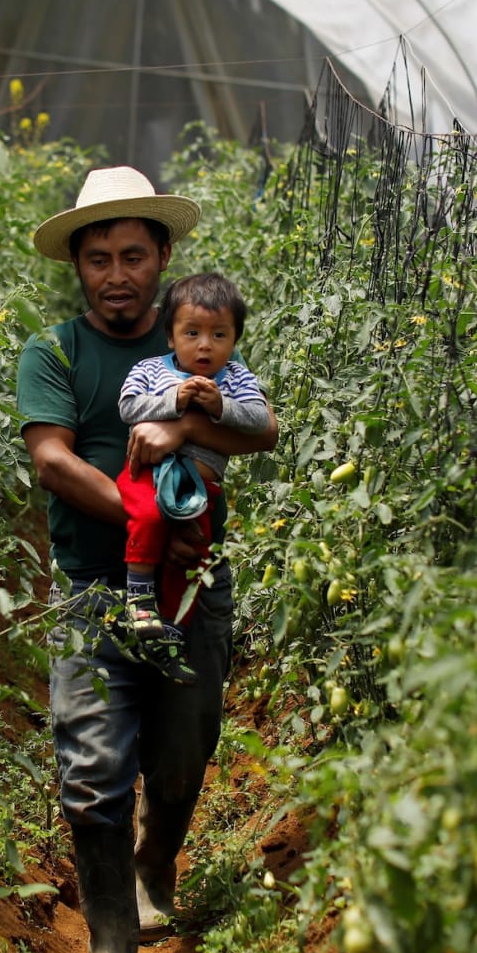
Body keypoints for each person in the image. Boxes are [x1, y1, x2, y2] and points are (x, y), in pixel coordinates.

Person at [15, 166, 278, 953]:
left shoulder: (197, 340)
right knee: (92, 773)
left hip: (195, 590)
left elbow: (255, 431)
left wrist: (180, 430)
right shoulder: (54, 352)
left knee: (179, 759)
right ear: (78, 267)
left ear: (163, 255)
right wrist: (145, 510)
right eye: (99, 259)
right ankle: (108, 950)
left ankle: (155, 861)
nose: (117, 273)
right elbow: (53, 459)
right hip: (95, 589)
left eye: (134, 253)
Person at [116, 273, 271, 674]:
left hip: (201, 488)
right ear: (171, 337)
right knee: (148, 520)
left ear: (234, 340)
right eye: (192, 333)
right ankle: (139, 596)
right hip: (149, 478)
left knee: (194, 555)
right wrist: (173, 401)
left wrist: (221, 406)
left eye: (219, 335)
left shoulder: (235, 379)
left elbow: (258, 421)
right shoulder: (151, 370)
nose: (206, 345)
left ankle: (170, 630)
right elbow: (128, 408)